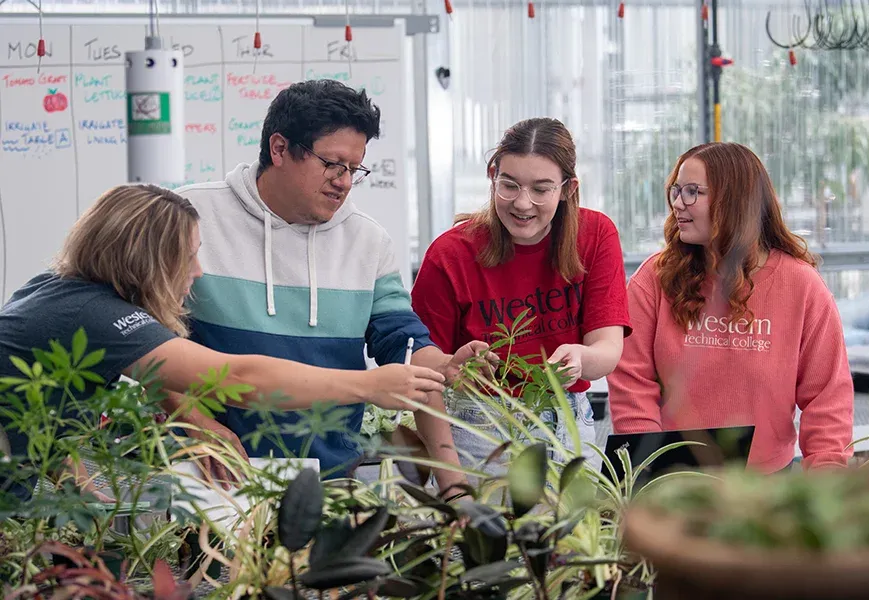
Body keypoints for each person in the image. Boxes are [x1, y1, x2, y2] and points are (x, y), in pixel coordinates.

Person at [0, 184, 449, 497]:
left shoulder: (62, 291)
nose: (196, 271)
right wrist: (368, 386)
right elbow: (238, 377)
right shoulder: (96, 314)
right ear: (146, 259)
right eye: (189, 255)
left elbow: (49, 418)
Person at [175, 79, 487, 490]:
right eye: (332, 164)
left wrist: (444, 366)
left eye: (354, 170)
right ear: (280, 149)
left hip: (331, 479)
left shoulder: (367, 241)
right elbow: (145, 347)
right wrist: (194, 422)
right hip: (210, 476)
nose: (343, 181)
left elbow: (402, 340)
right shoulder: (191, 218)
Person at [606, 142, 854, 473]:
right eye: (676, 191)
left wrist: (825, 490)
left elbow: (828, 398)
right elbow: (631, 384)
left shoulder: (802, 286)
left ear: (735, 202)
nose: (678, 203)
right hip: (673, 482)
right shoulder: (653, 279)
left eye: (693, 192)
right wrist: (651, 474)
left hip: (765, 484)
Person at [411, 117, 632, 469]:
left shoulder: (596, 235)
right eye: (509, 185)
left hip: (567, 425)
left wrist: (579, 359)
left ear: (568, 188)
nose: (523, 204)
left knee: (576, 525)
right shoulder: (450, 254)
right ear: (492, 175)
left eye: (541, 189)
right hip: (478, 431)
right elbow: (420, 367)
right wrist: (455, 367)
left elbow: (607, 348)